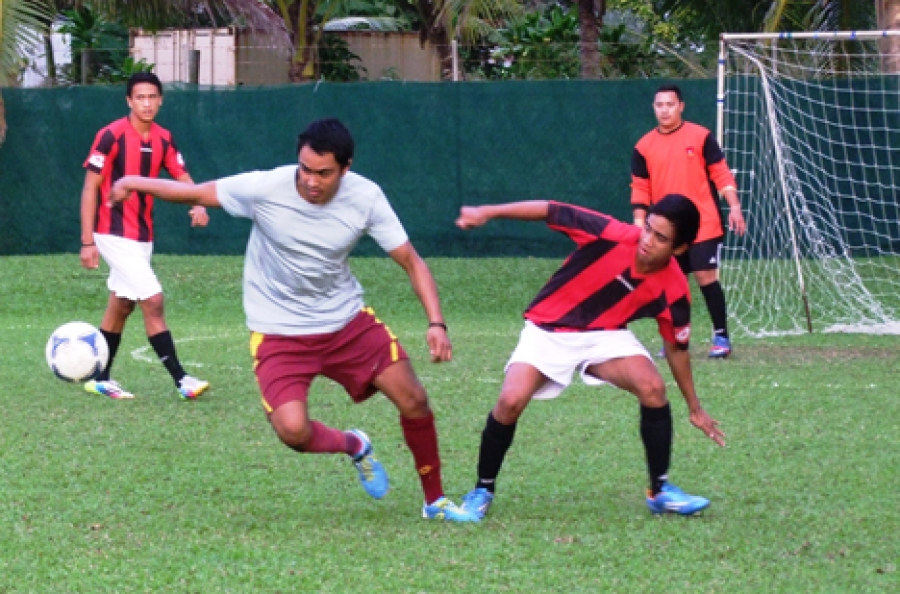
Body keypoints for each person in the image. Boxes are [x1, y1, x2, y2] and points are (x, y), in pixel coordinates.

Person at [107, 118, 476, 522]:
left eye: (324, 173)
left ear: (346, 168)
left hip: (346, 323)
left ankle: (435, 501)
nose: (312, 182)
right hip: (278, 332)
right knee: (293, 432)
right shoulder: (267, 187)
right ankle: (354, 445)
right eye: (305, 169)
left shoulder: (366, 197)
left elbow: (411, 261)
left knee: (414, 399)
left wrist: (436, 322)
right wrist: (133, 181)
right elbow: (194, 192)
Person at [455, 195, 726, 520]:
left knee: (653, 388)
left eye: (661, 238)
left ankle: (660, 490)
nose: (647, 241)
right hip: (548, 329)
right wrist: (489, 209)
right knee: (510, 402)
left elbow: (676, 349)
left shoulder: (675, 290)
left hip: (604, 336)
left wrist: (695, 408)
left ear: (679, 249)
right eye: (648, 229)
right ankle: (482, 489)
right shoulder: (611, 233)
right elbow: (550, 210)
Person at [80, 72, 210, 400]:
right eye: (140, 98)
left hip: (142, 236)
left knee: (122, 304)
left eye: (153, 97)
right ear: (129, 101)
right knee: (152, 300)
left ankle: (100, 377)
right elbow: (90, 188)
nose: (147, 103)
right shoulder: (109, 136)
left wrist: (197, 202)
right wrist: (87, 241)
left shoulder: (164, 138)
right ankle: (182, 380)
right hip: (111, 232)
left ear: (161, 100)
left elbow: (181, 175)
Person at [631, 84, 747, 359]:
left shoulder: (701, 136)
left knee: (706, 276)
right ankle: (674, 338)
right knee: (671, 281)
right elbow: (640, 188)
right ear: (654, 108)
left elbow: (721, 174)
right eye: (659, 105)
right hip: (667, 230)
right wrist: (639, 225)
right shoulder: (643, 146)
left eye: (670, 104)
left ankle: (721, 337)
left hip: (704, 222)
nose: (665, 110)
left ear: (681, 106)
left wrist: (734, 206)